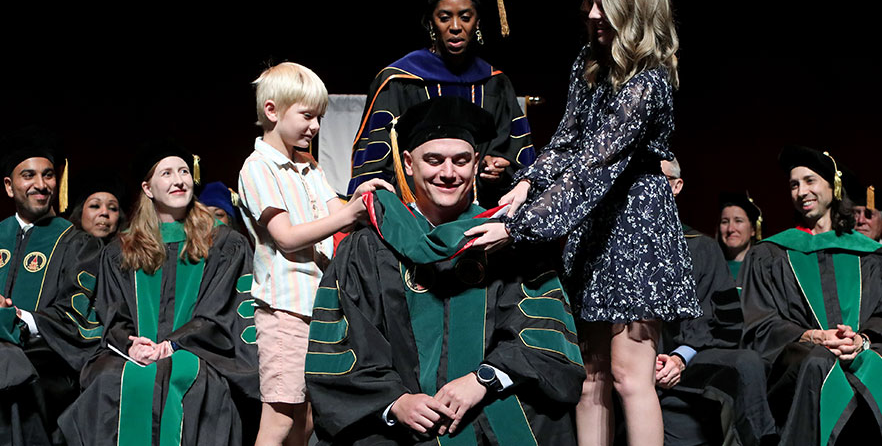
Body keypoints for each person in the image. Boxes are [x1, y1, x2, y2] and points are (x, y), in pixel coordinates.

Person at [467, 0, 700, 446]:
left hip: (635, 228)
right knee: (589, 373)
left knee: (629, 375)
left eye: (604, 3)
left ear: (633, 8)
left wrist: (519, 226)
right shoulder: (588, 62)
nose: (592, 13)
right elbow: (569, 141)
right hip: (593, 226)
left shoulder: (648, 82)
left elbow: (597, 164)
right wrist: (528, 183)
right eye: (590, 1)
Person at [306, 96, 584, 445]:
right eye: (434, 160)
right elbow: (345, 345)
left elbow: (544, 334)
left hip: (490, 403)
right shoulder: (369, 246)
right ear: (408, 164)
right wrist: (395, 403)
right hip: (402, 417)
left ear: (477, 162)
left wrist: (483, 379)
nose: (448, 173)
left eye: (461, 160)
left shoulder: (507, 240)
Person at [58, 140, 259, 446]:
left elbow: (220, 309)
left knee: (191, 380)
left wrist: (175, 344)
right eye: (166, 173)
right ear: (148, 188)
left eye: (183, 171)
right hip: (136, 354)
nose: (179, 180)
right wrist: (131, 344)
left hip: (200, 353)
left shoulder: (224, 244)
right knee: (113, 381)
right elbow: (113, 311)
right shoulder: (120, 250)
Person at [237, 62, 393, 446]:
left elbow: (334, 215)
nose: (315, 127)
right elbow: (287, 238)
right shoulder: (257, 168)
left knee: (306, 417)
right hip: (284, 310)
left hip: (318, 306)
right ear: (272, 111)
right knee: (278, 418)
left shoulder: (308, 164)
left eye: (319, 117)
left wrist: (360, 198)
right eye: (307, 116)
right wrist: (349, 212)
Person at [348, 0, 535, 209]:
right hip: (411, 213)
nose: (455, 27)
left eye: (465, 17)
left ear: (477, 23)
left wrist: (499, 166)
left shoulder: (494, 83)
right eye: (445, 17)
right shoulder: (399, 80)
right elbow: (377, 159)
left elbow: (514, 149)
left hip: (480, 213)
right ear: (430, 23)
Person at [741, 145, 882, 445]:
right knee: (819, 361)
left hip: (863, 352)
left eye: (810, 181)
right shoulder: (771, 255)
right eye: (794, 184)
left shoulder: (870, 255)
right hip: (799, 362)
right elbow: (760, 324)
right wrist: (815, 337)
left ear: (834, 187)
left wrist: (862, 340)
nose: (801, 191)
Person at [658, 159, 776, 446]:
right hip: (632, 366)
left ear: (677, 186)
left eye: (658, 178)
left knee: (747, 362)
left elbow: (720, 322)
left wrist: (678, 358)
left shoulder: (702, 248)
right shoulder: (619, 245)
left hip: (690, 361)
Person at [0, 127, 103, 445]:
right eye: (28, 175)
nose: (40, 185)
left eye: (47, 175)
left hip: (48, 359)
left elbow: (79, 311)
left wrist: (18, 317)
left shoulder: (78, 243)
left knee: (13, 374)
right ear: (9, 186)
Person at [67, 170, 127, 242]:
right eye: (95, 206)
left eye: (112, 208)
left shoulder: (127, 251)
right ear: (80, 213)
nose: (104, 212)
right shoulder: (63, 248)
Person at [717, 192, 762, 282]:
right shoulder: (711, 268)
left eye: (738, 221)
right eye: (725, 222)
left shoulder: (763, 269)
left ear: (753, 229)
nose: (730, 229)